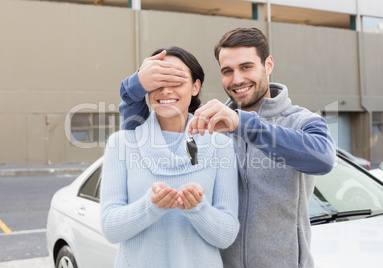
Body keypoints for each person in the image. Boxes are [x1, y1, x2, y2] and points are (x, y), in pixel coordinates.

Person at [119, 28, 336, 268]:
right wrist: (136, 84)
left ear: (268, 64)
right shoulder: (204, 125)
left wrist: (241, 124)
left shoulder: (301, 121)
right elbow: (135, 132)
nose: (237, 79)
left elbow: (323, 159)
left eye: (246, 67)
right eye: (227, 71)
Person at [101, 46, 239, 268]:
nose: (165, 91)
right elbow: (110, 228)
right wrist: (150, 207)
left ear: (195, 87)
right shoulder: (121, 144)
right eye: (158, 82)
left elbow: (226, 235)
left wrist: (198, 209)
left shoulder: (220, 145)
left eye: (176, 81)